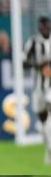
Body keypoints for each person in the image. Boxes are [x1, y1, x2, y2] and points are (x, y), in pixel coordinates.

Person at [23, 16, 51, 164]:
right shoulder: (33, 42)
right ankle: (48, 150)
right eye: (42, 26)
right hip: (39, 87)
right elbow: (23, 62)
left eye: (47, 26)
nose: (45, 28)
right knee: (43, 121)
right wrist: (39, 65)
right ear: (39, 27)